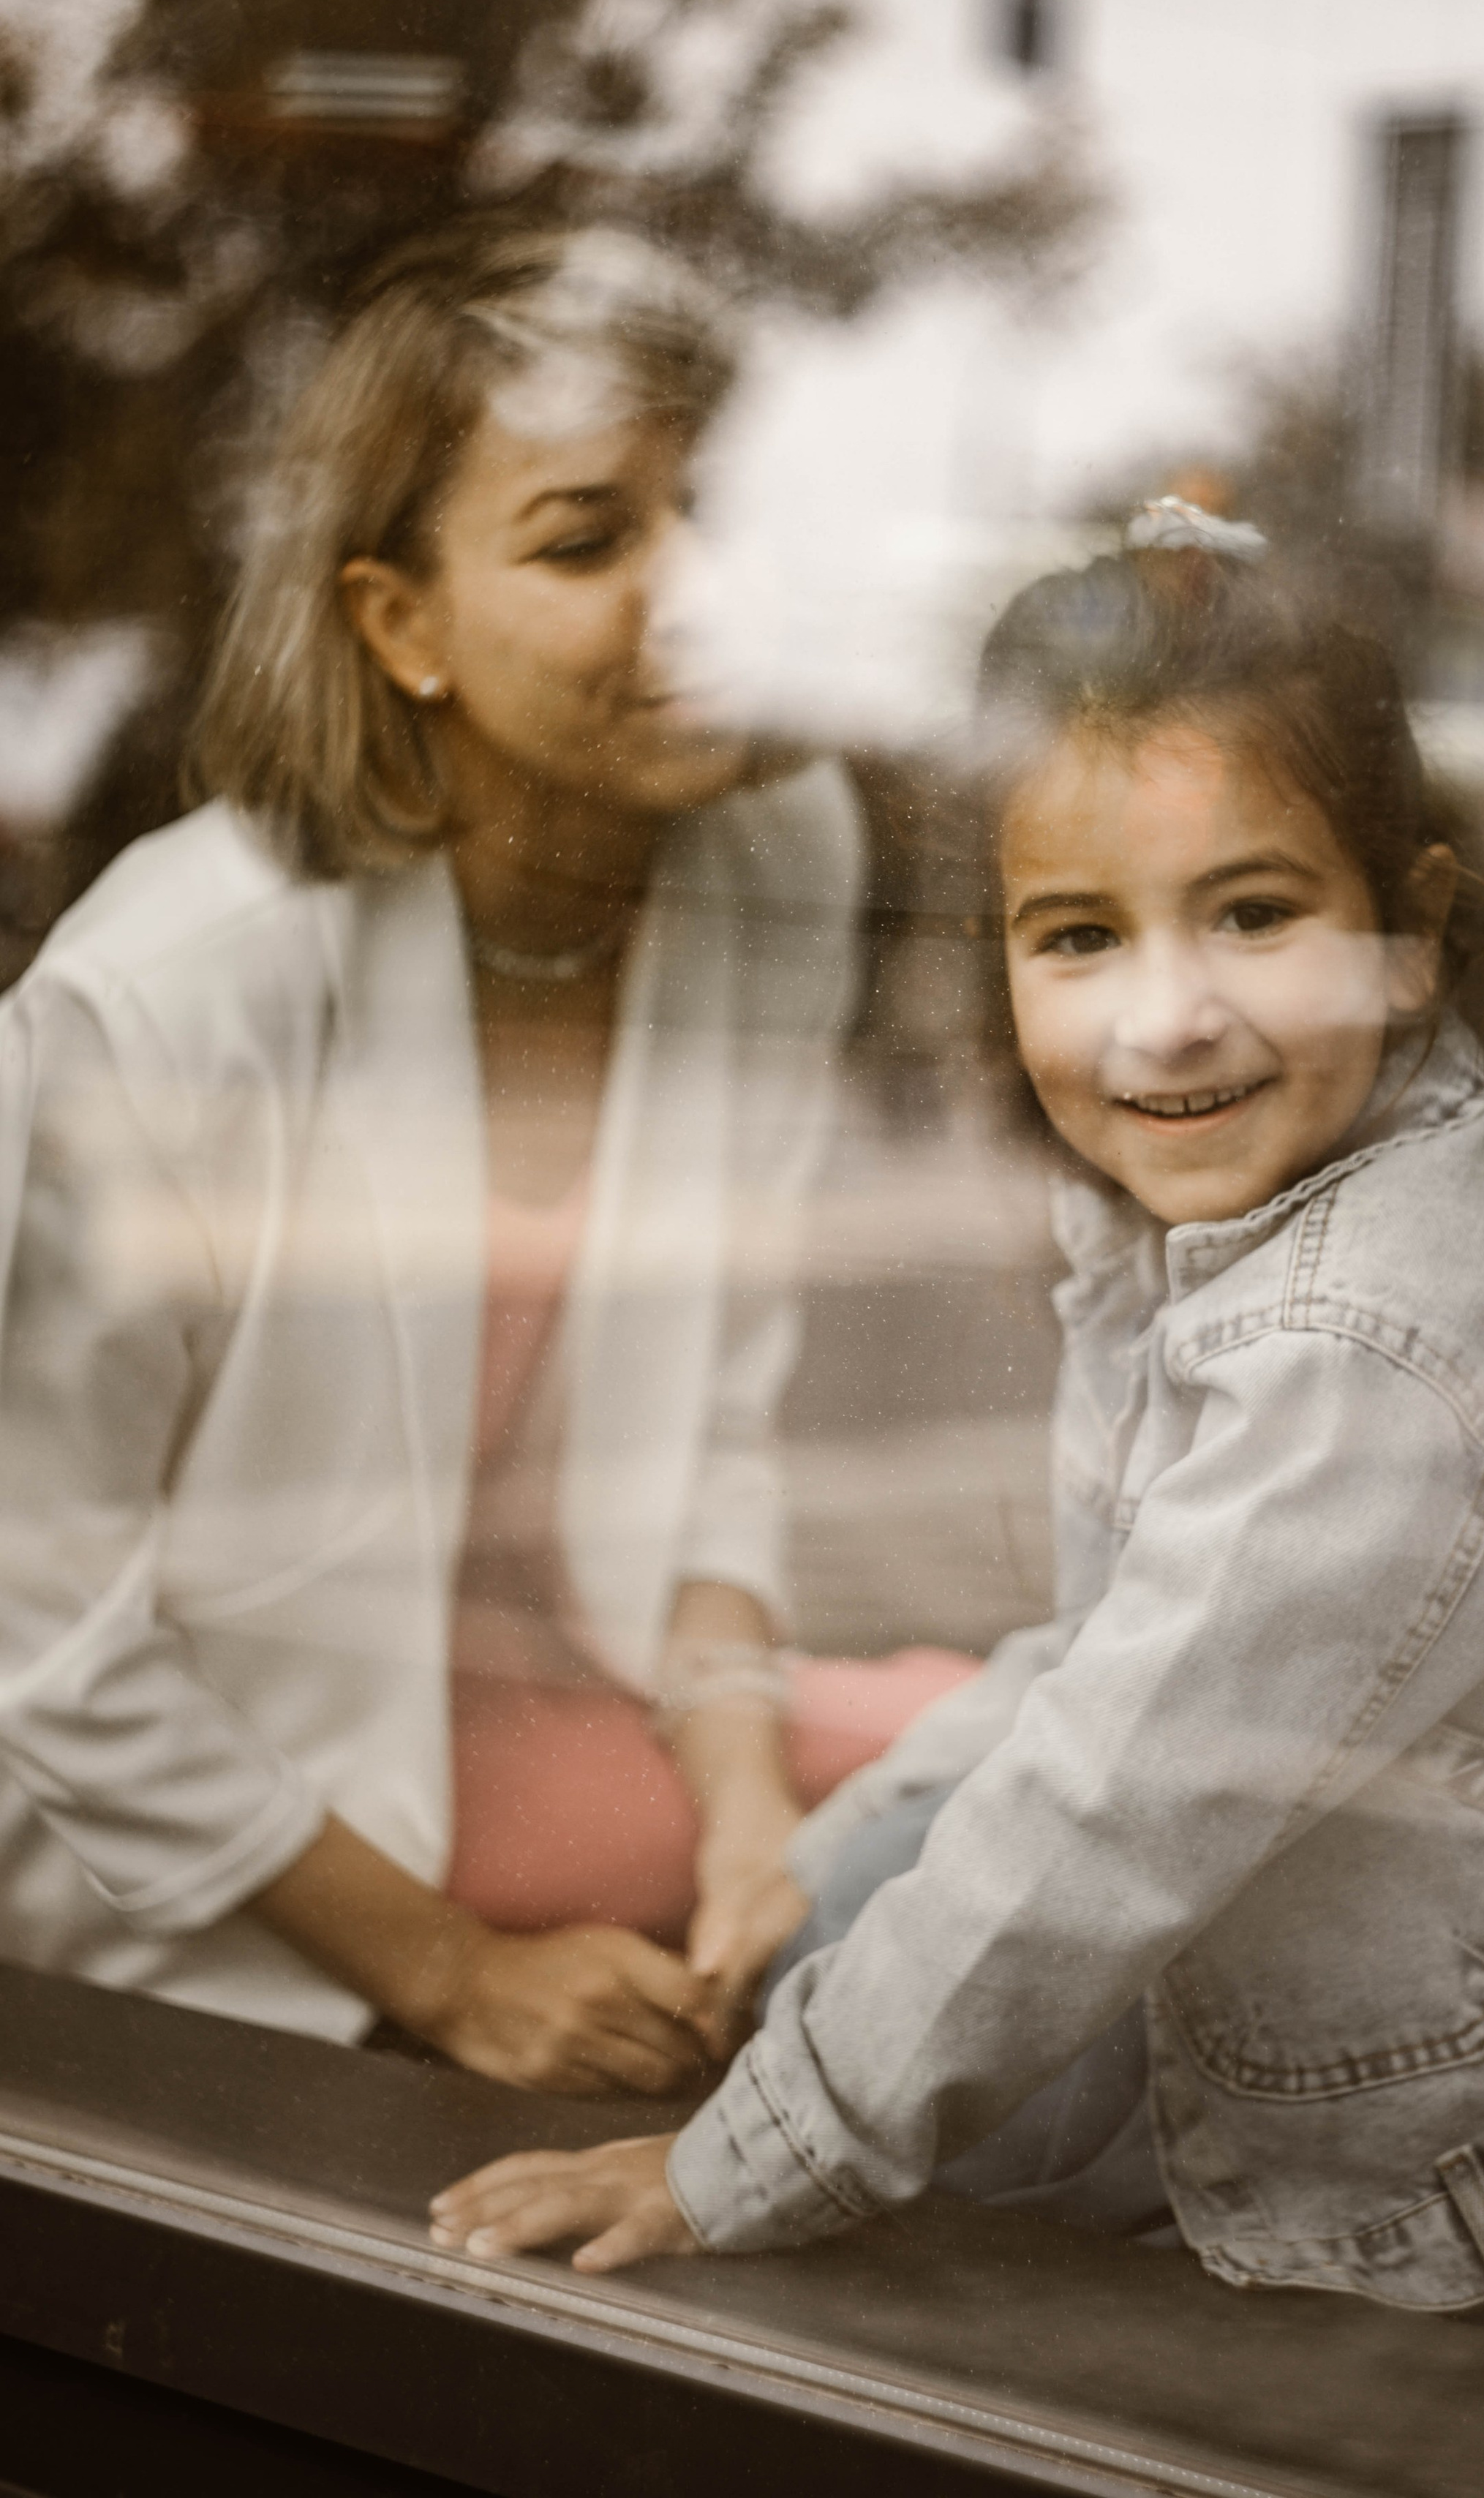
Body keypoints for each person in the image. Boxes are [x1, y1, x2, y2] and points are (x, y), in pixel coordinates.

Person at [432, 500, 1484, 2377]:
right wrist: (822, 1860)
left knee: (924, 2189)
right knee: (852, 1919)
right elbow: (1104, 1654)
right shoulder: (1218, 1211)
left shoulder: (1385, 1326)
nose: (1167, 1017)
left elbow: (1130, 1785)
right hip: (1452, 1947)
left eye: (1253, 914)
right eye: (1079, 937)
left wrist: (747, 2157)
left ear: (1409, 938)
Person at [0, 219, 971, 2094]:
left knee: (1042, 1783)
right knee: (996, 1854)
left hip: (577, 1706)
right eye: (587, 540)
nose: (696, 593)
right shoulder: (174, 990)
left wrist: (749, 1817)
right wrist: (454, 1980)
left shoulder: (776, 856)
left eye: (717, 513)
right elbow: (29, 1626)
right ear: (401, 626)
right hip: (255, 1834)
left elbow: (710, 1437)